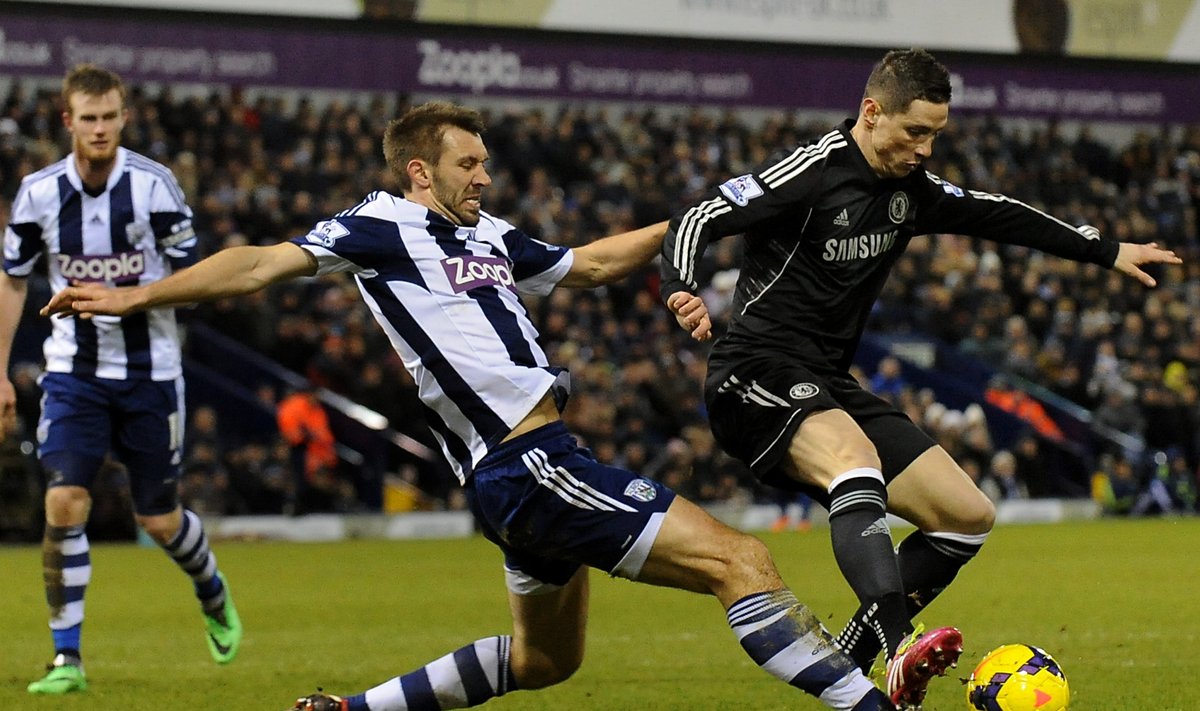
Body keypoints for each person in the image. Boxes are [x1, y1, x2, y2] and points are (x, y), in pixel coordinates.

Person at [44, 101, 895, 711]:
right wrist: (135, 297)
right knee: (739, 561)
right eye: (469, 165)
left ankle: (349, 710)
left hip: (520, 477)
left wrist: (704, 220)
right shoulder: (379, 226)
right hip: (531, 464)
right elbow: (259, 264)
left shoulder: (488, 237)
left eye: (484, 164)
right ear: (421, 170)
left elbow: (592, 265)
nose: (485, 177)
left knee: (545, 660)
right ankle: (872, 704)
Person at [659, 47, 1181, 709]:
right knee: (856, 461)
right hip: (753, 374)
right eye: (915, 132)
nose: (925, 149)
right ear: (872, 112)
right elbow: (697, 216)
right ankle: (901, 643)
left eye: (935, 134)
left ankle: (852, 653)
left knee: (966, 515)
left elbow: (997, 212)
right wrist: (681, 290)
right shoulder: (814, 170)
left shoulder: (910, 191)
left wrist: (1105, 250)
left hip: (827, 383)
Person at [0, 64, 243, 695]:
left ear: (122, 117)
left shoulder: (154, 188)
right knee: (64, 501)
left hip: (150, 374)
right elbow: (12, 279)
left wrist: (126, 295)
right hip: (73, 372)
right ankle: (66, 660)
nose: (100, 129)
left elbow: (196, 277)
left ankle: (211, 590)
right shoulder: (38, 194)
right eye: (88, 118)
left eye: (109, 117)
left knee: (158, 520)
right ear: (68, 121)